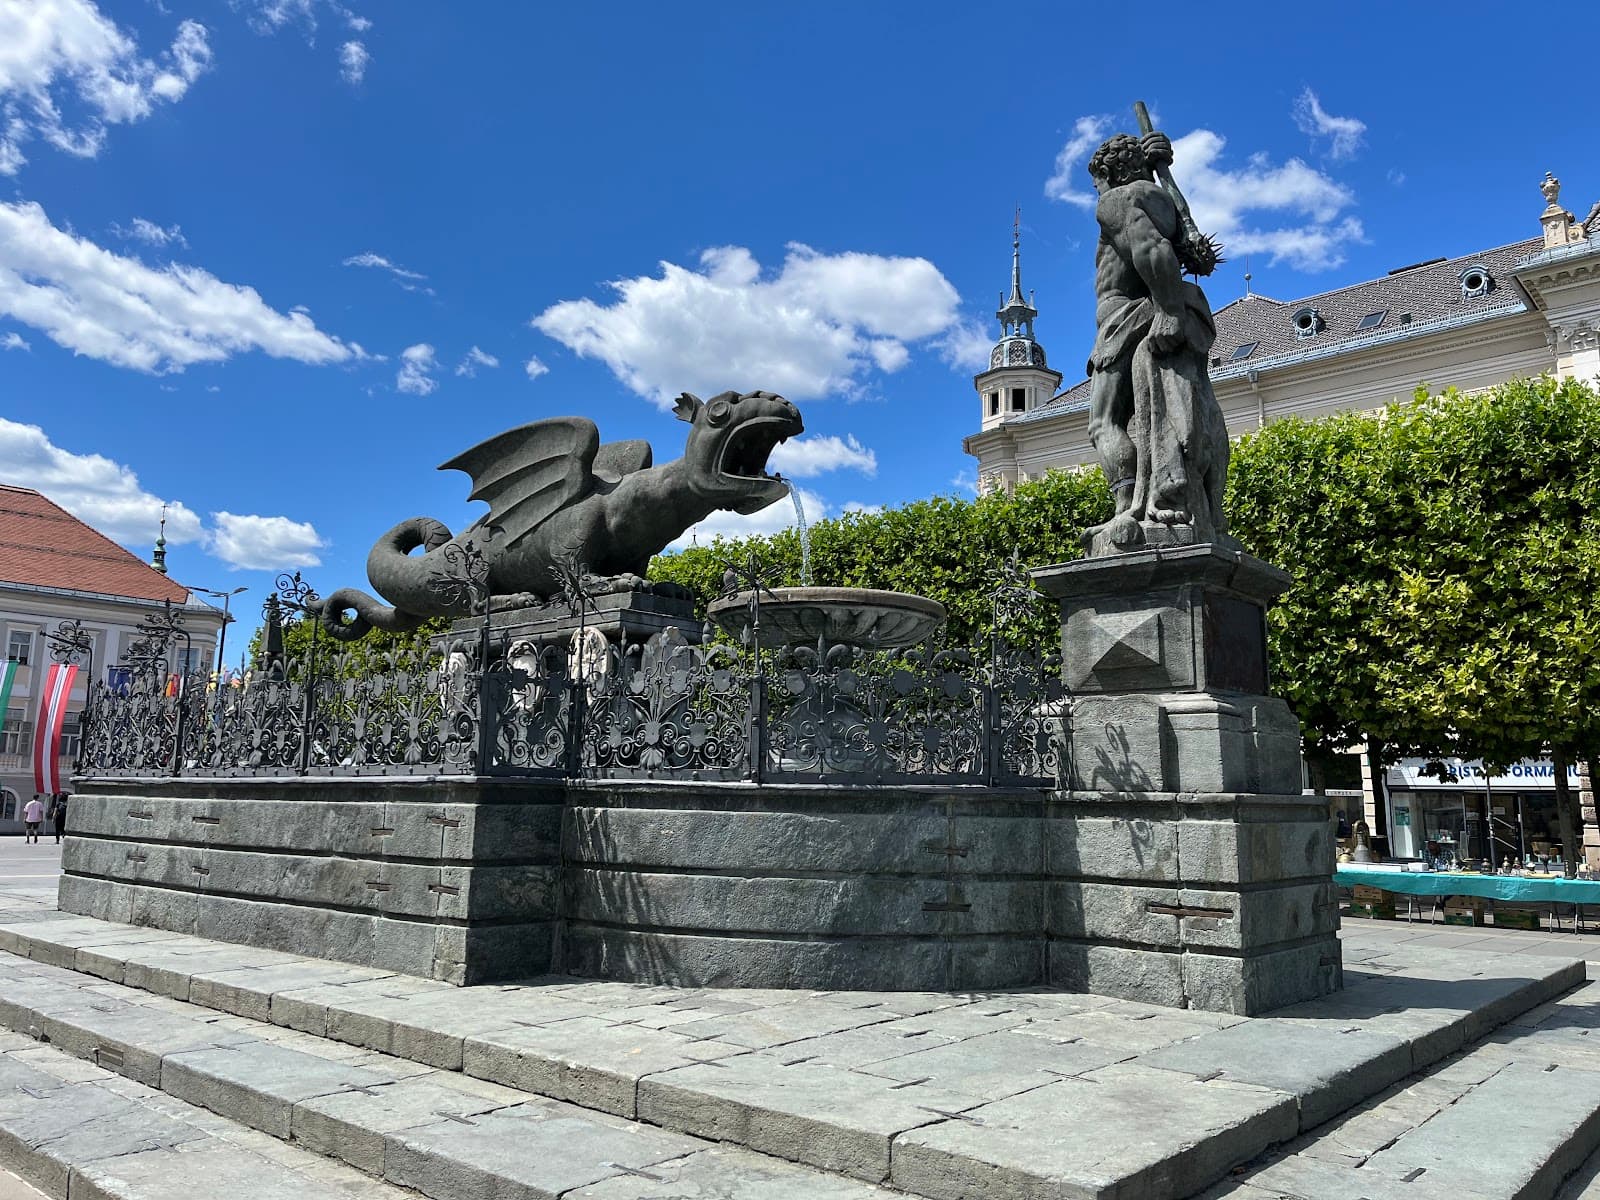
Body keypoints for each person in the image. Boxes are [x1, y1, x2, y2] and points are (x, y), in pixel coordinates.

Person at [1081, 129, 1231, 552]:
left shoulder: (1116, 200)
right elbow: (1199, 255)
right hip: (1162, 308)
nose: (1097, 190)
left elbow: (1151, 251)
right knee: (1170, 406)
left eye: (1096, 181)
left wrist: (1167, 310)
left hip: (1123, 318)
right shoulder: (1163, 202)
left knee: (1103, 422)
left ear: (1108, 172)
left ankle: (1126, 504)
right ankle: (1188, 502)